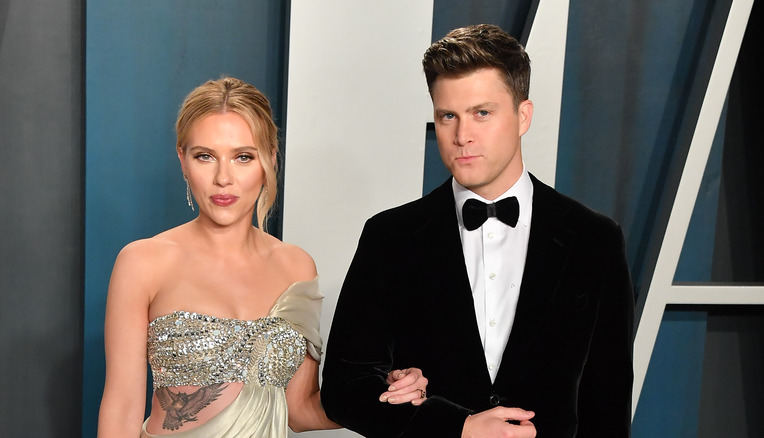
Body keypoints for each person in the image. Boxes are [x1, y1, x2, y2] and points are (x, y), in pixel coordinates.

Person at [321, 24, 634, 437]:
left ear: (523, 116)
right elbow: (343, 390)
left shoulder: (594, 239)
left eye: (482, 113)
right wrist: (457, 427)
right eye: (448, 116)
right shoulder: (390, 237)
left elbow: (607, 405)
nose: (462, 136)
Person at [97, 77, 428, 437]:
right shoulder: (143, 262)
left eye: (243, 157)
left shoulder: (296, 267)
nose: (224, 178)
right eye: (205, 156)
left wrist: (387, 393)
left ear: (269, 159)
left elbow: (300, 411)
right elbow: (122, 408)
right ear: (182, 160)